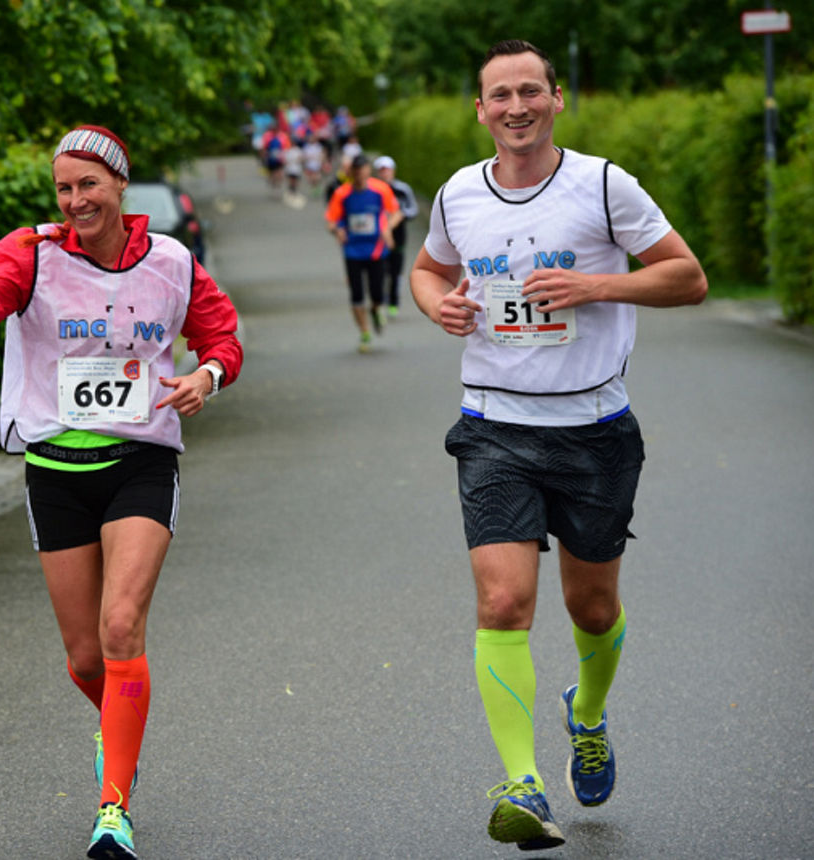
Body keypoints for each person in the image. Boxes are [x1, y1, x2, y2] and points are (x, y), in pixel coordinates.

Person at [0, 125, 243, 860]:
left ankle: (112, 808)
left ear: (120, 186)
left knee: (123, 627)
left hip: (142, 462)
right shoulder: (31, 253)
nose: (75, 199)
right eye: (63, 187)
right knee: (87, 658)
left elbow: (222, 337)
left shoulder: (173, 262)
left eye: (88, 183)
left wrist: (205, 376)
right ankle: (118, 732)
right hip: (55, 470)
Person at [409, 40, 708, 851]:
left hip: (594, 431)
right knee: (503, 601)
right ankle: (523, 784)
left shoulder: (604, 185)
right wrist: (438, 304)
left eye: (530, 91)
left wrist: (596, 284)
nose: (515, 107)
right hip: (494, 426)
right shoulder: (458, 194)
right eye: (499, 94)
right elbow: (427, 270)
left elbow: (688, 276)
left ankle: (588, 713)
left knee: (593, 605)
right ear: (480, 109)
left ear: (556, 99)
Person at [325, 153, 403, 351]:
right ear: (350, 172)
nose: (360, 174)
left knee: (377, 294)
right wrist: (338, 230)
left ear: (368, 170)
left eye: (363, 170)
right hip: (352, 250)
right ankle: (365, 333)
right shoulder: (342, 194)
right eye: (356, 170)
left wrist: (387, 229)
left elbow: (396, 212)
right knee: (356, 295)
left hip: (376, 249)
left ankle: (376, 310)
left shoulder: (380, 189)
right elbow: (330, 220)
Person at [373, 155, 419, 318]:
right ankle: (380, 299)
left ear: (393, 171)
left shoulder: (402, 189)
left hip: (398, 236)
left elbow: (413, 209)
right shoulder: (373, 189)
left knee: (395, 271)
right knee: (380, 270)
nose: (385, 173)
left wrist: (399, 215)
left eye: (387, 170)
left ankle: (393, 301)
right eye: (381, 170)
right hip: (377, 238)